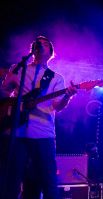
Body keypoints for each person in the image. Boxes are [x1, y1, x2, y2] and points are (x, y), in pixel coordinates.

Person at [0, 35, 77, 199]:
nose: (40, 45)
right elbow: (4, 92)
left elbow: (58, 106)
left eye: (45, 44)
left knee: (48, 182)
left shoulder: (56, 78)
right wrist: (13, 106)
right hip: (17, 132)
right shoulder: (18, 69)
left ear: (50, 52)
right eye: (38, 43)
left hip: (43, 134)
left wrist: (67, 96)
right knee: (11, 182)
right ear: (33, 49)